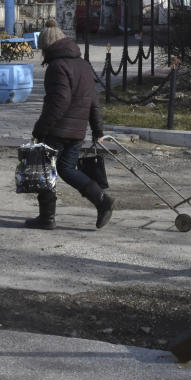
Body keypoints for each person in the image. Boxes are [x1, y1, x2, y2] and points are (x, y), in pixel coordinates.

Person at [26, 19, 115, 230]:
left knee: (45, 170)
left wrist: (40, 130)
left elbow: (59, 102)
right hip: (77, 131)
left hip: (58, 130)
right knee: (66, 169)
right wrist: (97, 130)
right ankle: (102, 200)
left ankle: (46, 218)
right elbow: (93, 100)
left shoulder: (57, 67)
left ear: (47, 47)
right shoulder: (83, 64)